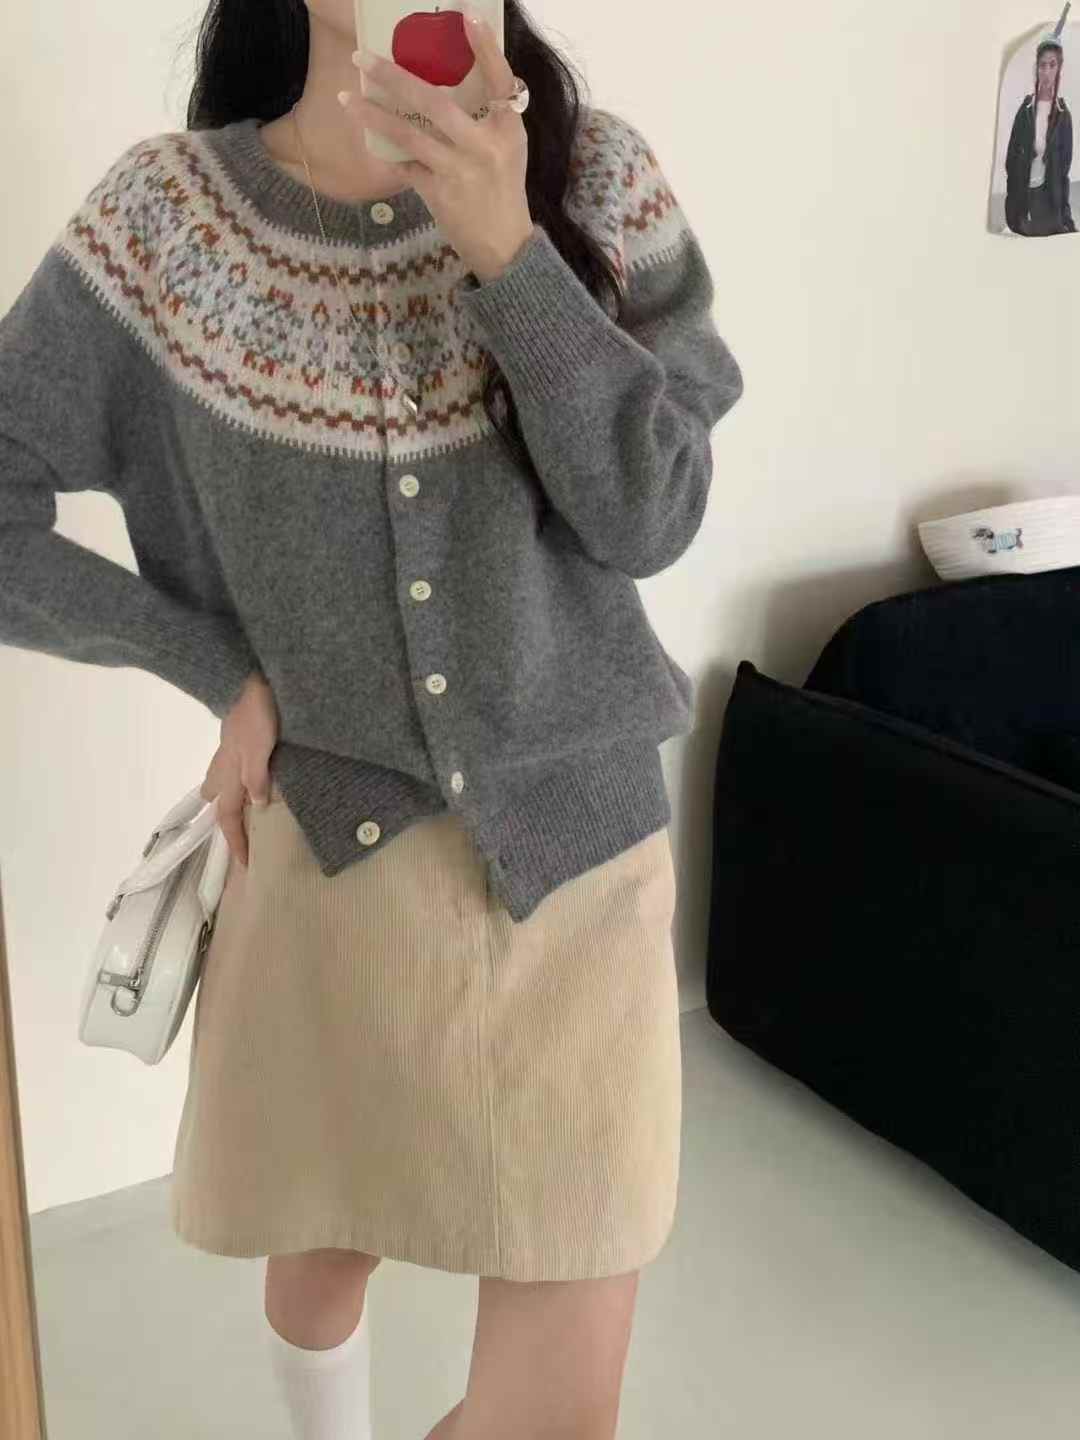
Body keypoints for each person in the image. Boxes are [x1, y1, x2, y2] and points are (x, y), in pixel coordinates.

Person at [0, 1, 743, 1437]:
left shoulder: (597, 181)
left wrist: (511, 254)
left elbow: (654, 515)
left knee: (553, 1420)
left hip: (582, 875)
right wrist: (213, 667)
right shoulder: (171, 223)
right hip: (330, 873)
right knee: (325, 1251)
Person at [1005, 17, 1077, 235]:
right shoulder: (1026, 111)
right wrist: (1013, 208)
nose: (1046, 72)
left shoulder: (1063, 116)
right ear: (1037, 68)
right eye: (1042, 65)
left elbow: (1063, 174)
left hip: (1049, 206)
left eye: (1052, 65)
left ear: (1059, 68)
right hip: (1024, 206)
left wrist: (1067, 220)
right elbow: (1011, 162)